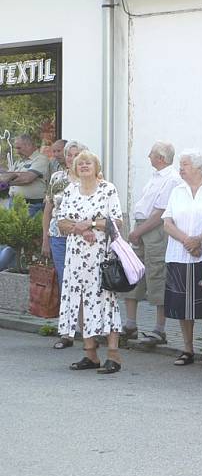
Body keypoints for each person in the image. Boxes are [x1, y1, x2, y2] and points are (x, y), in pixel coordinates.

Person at [56, 150, 125, 374]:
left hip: (101, 256)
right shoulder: (70, 190)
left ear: (96, 167)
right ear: (75, 168)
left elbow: (117, 221)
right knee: (81, 301)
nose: (84, 166)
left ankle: (113, 355)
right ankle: (90, 354)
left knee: (106, 301)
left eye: (88, 163)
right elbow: (61, 222)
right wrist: (79, 228)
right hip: (76, 257)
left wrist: (91, 225)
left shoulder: (108, 189)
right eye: (80, 163)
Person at [162, 150, 202, 368]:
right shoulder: (177, 191)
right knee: (182, 304)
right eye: (181, 165)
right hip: (179, 254)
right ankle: (187, 348)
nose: (181, 169)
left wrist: (199, 240)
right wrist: (187, 240)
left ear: (198, 168)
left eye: (185, 164)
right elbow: (167, 222)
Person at [121, 141, 181, 347]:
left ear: (161, 158)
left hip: (153, 229)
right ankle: (130, 324)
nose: (148, 156)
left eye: (152, 154)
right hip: (142, 225)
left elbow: (161, 212)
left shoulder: (172, 179)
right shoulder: (156, 177)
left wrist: (138, 231)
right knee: (133, 272)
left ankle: (159, 329)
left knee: (157, 274)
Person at [42, 141, 87, 349]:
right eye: (69, 154)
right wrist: (45, 239)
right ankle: (66, 332)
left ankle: (87, 328)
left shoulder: (89, 180)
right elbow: (48, 209)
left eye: (76, 154)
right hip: (58, 236)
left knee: (84, 282)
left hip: (82, 237)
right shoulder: (57, 178)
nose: (71, 158)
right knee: (65, 282)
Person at [0, 134, 49, 216]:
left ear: (29, 145)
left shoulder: (41, 159)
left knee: (27, 228)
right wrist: (13, 176)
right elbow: (4, 177)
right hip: (14, 202)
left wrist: (12, 176)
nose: (17, 151)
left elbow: (27, 179)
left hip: (31, 206)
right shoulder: (20, 161)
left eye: (19, 148)